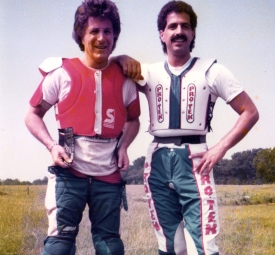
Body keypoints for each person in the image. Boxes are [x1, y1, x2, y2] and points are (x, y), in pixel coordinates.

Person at [113, 1, 259, 255]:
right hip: (157, 158)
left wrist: (220, 148)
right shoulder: (147, 72)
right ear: (162, 33)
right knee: (170, 244)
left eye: (185, 26)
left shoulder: (212, 70)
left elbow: (250, 112)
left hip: (195, 157)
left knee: (203, 244)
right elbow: (112, 67)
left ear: (192, 33)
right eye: (172, 26)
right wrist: (120, 57)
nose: (179, 31)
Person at [24, 0, 140, 254]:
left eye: (108, 31)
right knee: (59, 245)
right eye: (94, 31)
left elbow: (133, 120)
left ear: (115, 36)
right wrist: (52, 146)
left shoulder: (126, 79)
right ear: (81, 35)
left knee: (110, 245)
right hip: (68, 173)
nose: (101, 38)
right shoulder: (61, 73)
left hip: (108, 175)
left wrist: (124, 147)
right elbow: (32, 114)